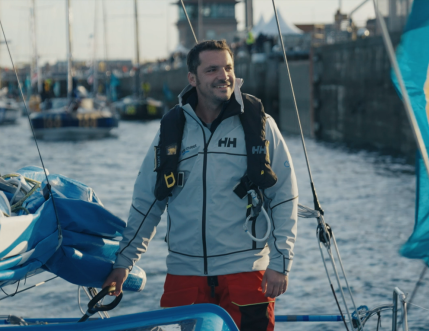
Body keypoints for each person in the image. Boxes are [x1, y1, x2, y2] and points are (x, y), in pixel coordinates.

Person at [103, 40, 298, 331]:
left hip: (246, 271)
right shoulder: (172, 130)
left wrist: (281, 262)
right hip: (187, 274)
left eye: (228, 67)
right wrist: (123, 263)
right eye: (212, 69)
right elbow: (147, 202)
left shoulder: (259, 124)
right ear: (192, 78)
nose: (224, 75)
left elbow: (284, 195)